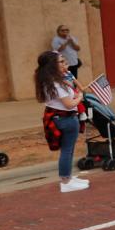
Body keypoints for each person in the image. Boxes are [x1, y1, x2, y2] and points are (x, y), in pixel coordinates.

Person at [36, 51, 88, 193]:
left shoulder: (53, 80)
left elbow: (72, 93)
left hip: (64, 118)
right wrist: (80, 98)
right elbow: (70, 104)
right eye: (61, 62)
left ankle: (68, 177)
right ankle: (65, 181)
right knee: (67, 150)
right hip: (65, 119)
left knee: (69, 150)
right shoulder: (55, 84)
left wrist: (76, 93)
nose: (66, 64)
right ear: (52, 65)